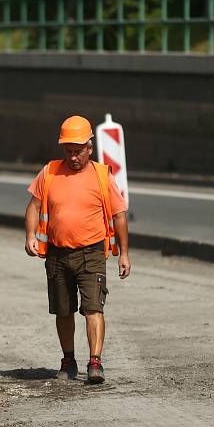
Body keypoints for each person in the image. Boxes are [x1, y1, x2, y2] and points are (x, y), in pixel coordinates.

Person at [24, 115, 131, 384]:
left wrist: (125, 254)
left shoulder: (102, 176)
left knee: (94, 308)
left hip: (91, 253)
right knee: (63, 310)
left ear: (90, 148)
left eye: (78, 151)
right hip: (57, 254)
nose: (73, 157)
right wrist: (29, 236)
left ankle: (95, 363)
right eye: (68, 151)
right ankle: (68, 359)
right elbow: (34, 207)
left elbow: (119, 216)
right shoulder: (49, 173)